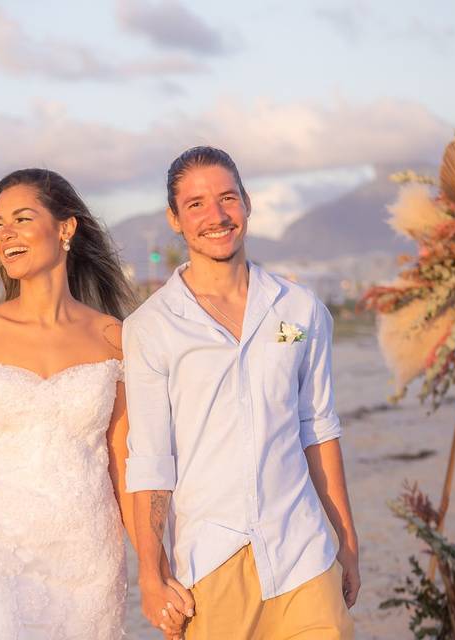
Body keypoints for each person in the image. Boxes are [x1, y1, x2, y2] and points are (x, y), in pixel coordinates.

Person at [0, 168, 192, 640]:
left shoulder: (112, 338)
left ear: (65, 229)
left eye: (22, 219)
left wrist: (154, 569)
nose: (6, 235)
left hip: (89, 557)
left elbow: (125, 468)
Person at [125, 146, 360, 639]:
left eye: (227, 198)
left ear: (247, 204)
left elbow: (318, 427)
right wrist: (151, 572)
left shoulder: (299, 311)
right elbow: (150, 459)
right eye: (196, 204)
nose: (216, 215)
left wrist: (347, 542)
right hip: (211, 565)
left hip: (304, 555)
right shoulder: (152, 327)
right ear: (174, 219)